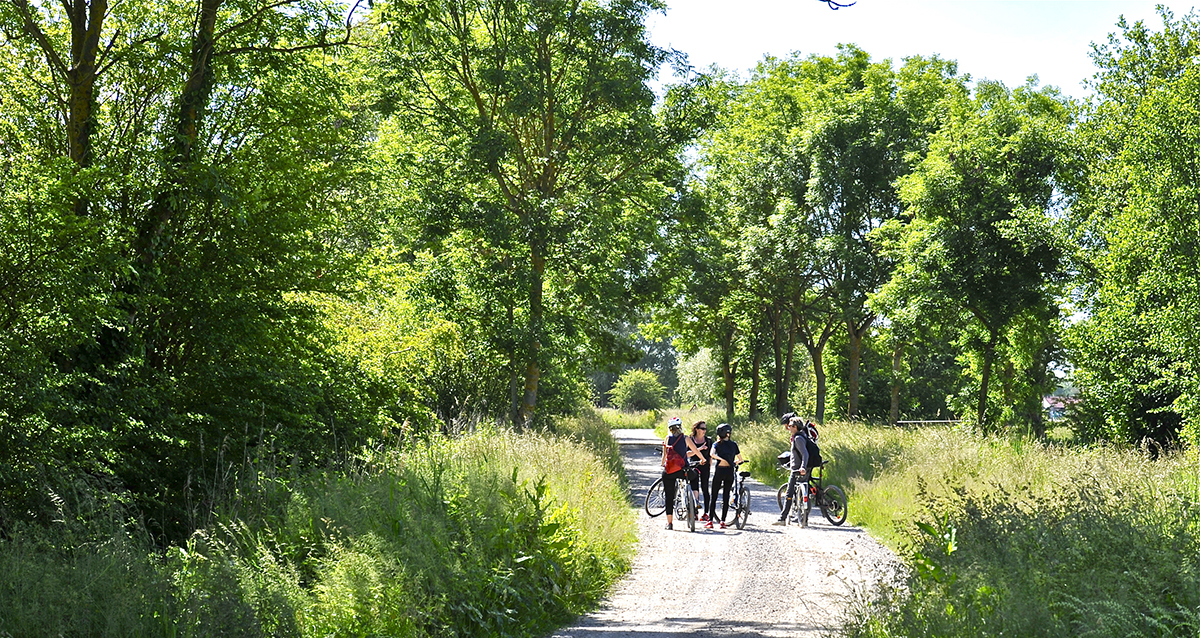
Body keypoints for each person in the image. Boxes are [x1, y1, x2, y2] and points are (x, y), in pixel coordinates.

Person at [661, 416, 702, 530]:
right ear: (680, 427)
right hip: (683, 470)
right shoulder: (685, 438)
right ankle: (694, 500)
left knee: (669, 496)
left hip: (669, 471)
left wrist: (662, 464)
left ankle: (669, 523)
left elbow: (664, 457)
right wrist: (702, 459)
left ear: (670, 428)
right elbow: (695, 451)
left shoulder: (667, 439)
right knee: (695, 476)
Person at [772, 415, 813, 527]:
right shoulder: (802, 436)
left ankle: (782, 519)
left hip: (798, 469)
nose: (788, 428)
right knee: (802, 491)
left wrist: (802, 467)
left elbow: (805, 454)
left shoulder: (798, 438)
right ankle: (804, 518)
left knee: (789, 494)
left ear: (795, 427)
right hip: (800, 467)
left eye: (790, 426)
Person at [707, 423, 744, 529]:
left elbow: (712, 454)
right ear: (728, 434)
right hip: (730, 471)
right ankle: (722, 521)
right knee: (726, 495)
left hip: (719, 471)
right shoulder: (734, 444)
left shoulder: (716, 444)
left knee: (714, 496)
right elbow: (740, 459)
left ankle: (710, 520)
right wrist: (734, 462)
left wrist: (721, 459)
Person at [686, 420, 713, 523]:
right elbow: (686, 454)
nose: (704, 431)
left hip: (705, 466)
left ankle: (706, 513)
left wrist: (710, 465)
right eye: (702, 429)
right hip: (693, 466)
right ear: (696, 429)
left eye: (705, 429)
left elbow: (710, 455)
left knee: (705, 489)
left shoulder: (709, 440)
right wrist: (699, 449)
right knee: (694, 487)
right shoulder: (690, 439)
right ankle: (694, 511)